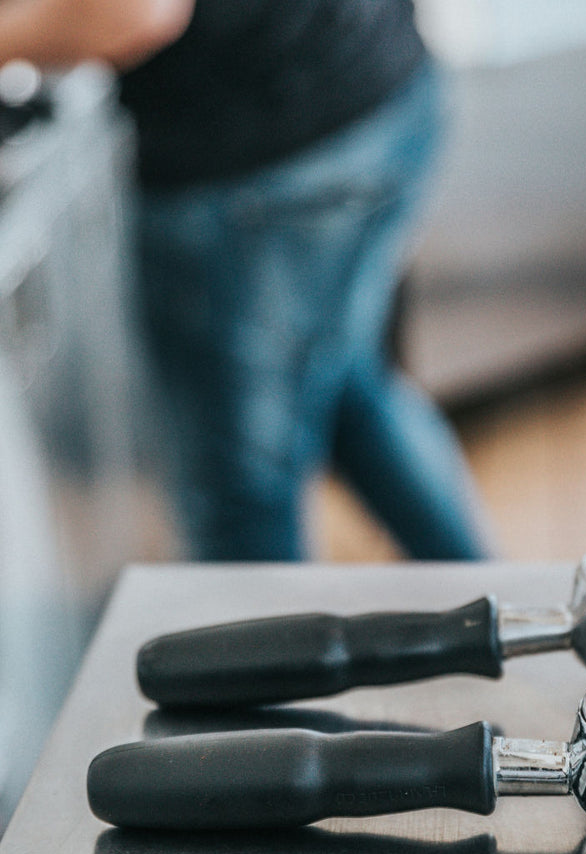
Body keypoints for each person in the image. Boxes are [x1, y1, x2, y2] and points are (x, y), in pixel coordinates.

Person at [0, 0, 496, 561]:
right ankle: (504, 609)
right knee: (346, 383)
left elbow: (131, 12)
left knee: (241, 496)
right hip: (378, 85)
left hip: (265, 175)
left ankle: (486, 613)